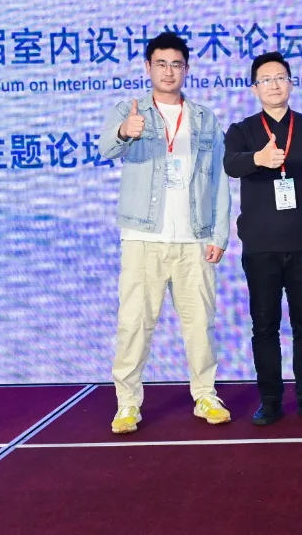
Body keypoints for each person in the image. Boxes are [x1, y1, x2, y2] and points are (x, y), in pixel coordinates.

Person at [100, 32, 231, 434]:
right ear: (148, 67)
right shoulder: (130, 110)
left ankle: (205, 395)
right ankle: (127, 403)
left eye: (176, 64)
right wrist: (125, 131)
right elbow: (106, 148)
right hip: (144, 237)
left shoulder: (205, 118)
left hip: (195, 237)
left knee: (200, 324)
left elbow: (219, 179)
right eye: (161, 64)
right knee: (134, 324)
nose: (169, 71)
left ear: (186, 69)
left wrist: (219, 234)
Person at [223, 52, 302, 426]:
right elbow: (230, 164)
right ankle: (269, 399)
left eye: (280, 77)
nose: (274, 85)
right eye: (265, 80)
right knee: (264, 326)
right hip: (261, 245)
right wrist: (258, 158)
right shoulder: (242, 130)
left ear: (291, 83)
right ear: (255, 89)